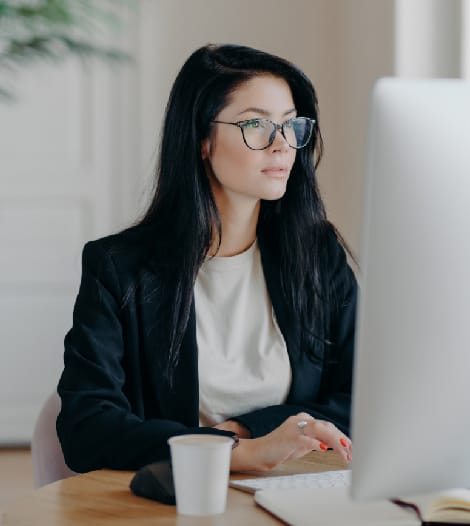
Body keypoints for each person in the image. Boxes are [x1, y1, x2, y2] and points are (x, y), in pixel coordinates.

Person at [56, 43, 357, 474]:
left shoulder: (317, 254)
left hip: (298, 488)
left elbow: (363, 395)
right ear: (201, 139)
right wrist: (235, 453)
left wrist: (246, 431)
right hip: (176, 501)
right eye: (256, 124)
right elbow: (87, 427)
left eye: (292, 126)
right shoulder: (118, 268)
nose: (282, 146)